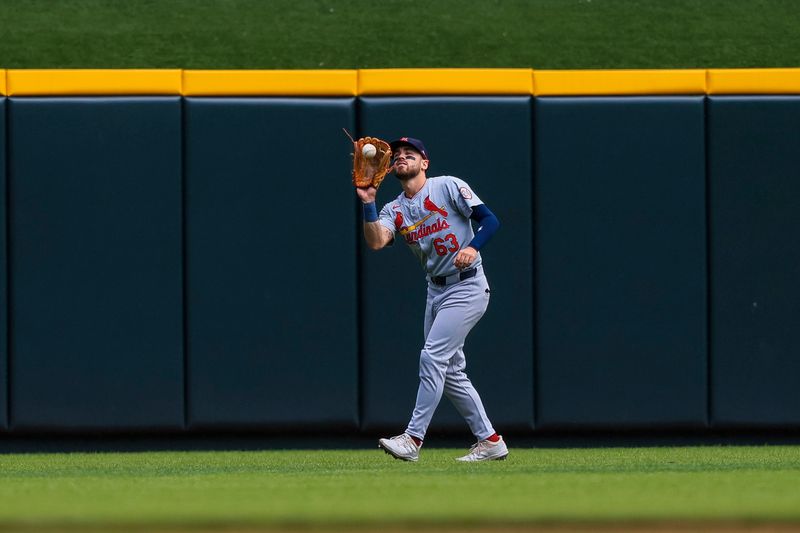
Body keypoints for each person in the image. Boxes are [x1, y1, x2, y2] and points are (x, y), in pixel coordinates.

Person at [356, 136, 508, 462]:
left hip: (467, 286)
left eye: (410, 154)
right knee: (450, 371)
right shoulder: (393, 208)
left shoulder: (447, 186)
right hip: (435, 289)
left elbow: (490, 220)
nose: (401, 157)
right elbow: (376, 241)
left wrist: (472, 247)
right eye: (396, 155)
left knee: (432, 358)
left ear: (424, 163)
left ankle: (413, 439)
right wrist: (368, 202)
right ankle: (490, 441)